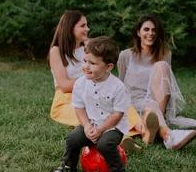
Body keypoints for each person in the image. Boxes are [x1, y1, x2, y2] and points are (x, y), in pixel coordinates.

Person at [48, 10, 144, 152]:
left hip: (92, 91)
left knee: (119, 104)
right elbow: (64, 85)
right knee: (86, 116)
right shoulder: (56, 51)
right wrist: (92, 78)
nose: (87, 29)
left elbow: (103, 65)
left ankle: (144, 129)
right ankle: (123, 140)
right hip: (66, 99)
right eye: (83, 26)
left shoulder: (87, 48)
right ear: (70, 27)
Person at [118, 13, 196, 150]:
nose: (150, 33)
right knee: (144, 108)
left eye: (154, 30)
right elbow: (120, 83)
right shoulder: (125, 55)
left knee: (162, 67)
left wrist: (156, 108)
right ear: (138, 32)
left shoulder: (165, 55)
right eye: (146, 29)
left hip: (152, 103)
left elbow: (164, 85)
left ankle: (155, 127)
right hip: (130, 102)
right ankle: (167, 135)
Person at [51, 36, 131, 172]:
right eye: (85, 61)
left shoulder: (118, 88)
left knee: (104, 144)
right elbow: (79, 107)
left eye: (92, 63)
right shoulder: (81, 83)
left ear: (108, 67)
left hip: (112, 127)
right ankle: (68, 167)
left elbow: (117, 115)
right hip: (91, 123)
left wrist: (100, 130)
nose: (86, 66)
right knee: (72, 138)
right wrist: (86, 125)